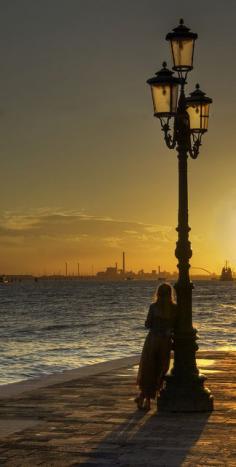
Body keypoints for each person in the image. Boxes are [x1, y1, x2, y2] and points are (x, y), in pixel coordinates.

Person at [135, 282, 177, 410]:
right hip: (165, 342)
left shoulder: (153, 307)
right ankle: (146, 398)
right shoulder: (174, 308)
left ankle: (145, 399)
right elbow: (176, 325)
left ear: (158, 294)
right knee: (161, 370)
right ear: (170, 294)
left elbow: (147, 324)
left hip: (153, 340)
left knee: (148, 369)